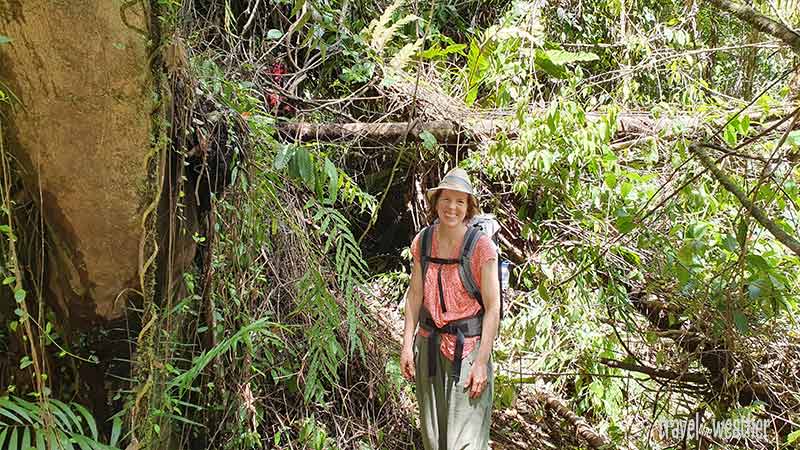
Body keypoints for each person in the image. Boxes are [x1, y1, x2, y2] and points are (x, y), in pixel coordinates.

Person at [400, 168, 500, 450]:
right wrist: (407, 344)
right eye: (447, 200)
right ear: (436, 202)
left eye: (460, 202)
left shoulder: (482, 248)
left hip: (467, 352)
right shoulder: (424, 241)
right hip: (429, 347)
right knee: (433, 439)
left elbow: (493, 309)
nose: (452, 208)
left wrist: (481, 362)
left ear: (468, 207)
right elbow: (415, 294)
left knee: (464, 443)